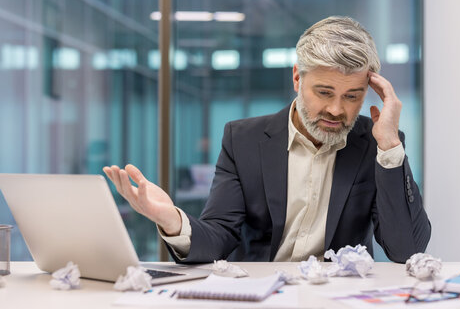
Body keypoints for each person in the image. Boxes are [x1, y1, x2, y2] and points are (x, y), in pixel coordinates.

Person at [104, 16, 431, 264]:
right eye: (324, 92)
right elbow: (220, 235)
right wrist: (172, 220)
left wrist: (389, 147)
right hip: (259, 297)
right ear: (297, 78)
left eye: (352, 96)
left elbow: (407, 250)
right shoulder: (242, 139)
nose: (336, 109)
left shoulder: (376, 144)